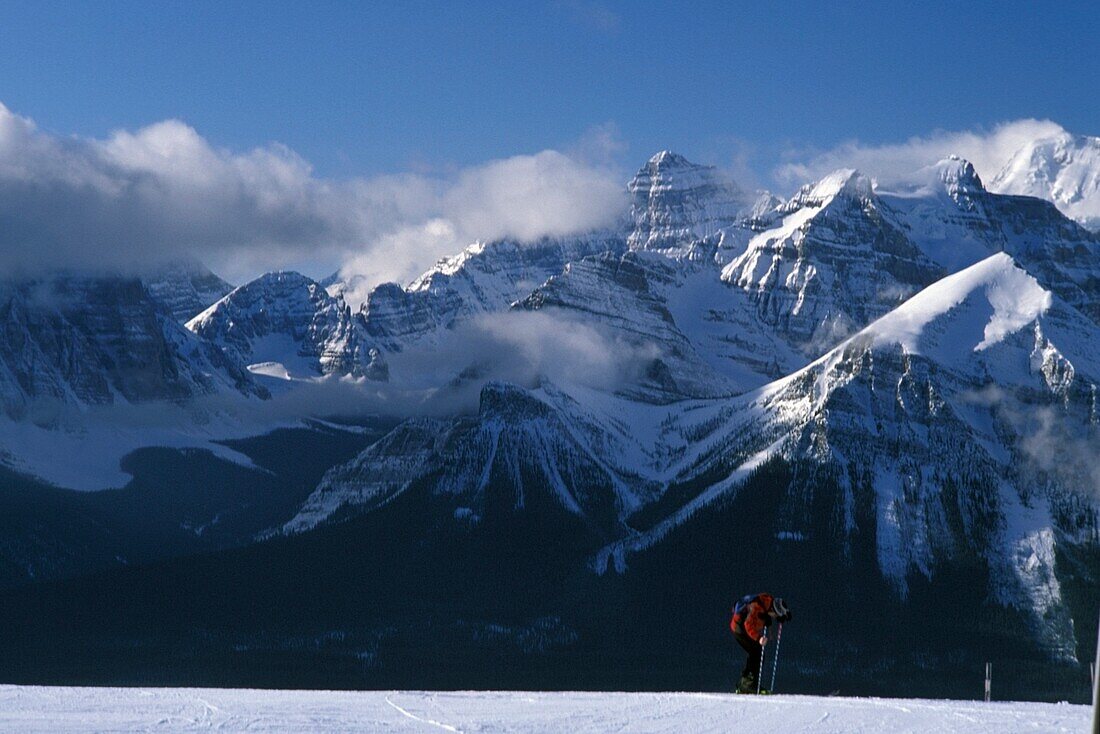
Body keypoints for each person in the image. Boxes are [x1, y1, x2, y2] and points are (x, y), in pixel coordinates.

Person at [729, 593, 792, 694]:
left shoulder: (767, 602)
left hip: (739, 627)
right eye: (776, 615)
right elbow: (748, 624)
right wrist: (758, 638)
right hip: (739, 629)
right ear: (773, 610)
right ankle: (748, 685)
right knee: (756, 652)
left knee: (755, 652)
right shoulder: (757, 608)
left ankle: (745, 683)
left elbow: (767, 614)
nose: (775, 617)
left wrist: (780, 616)